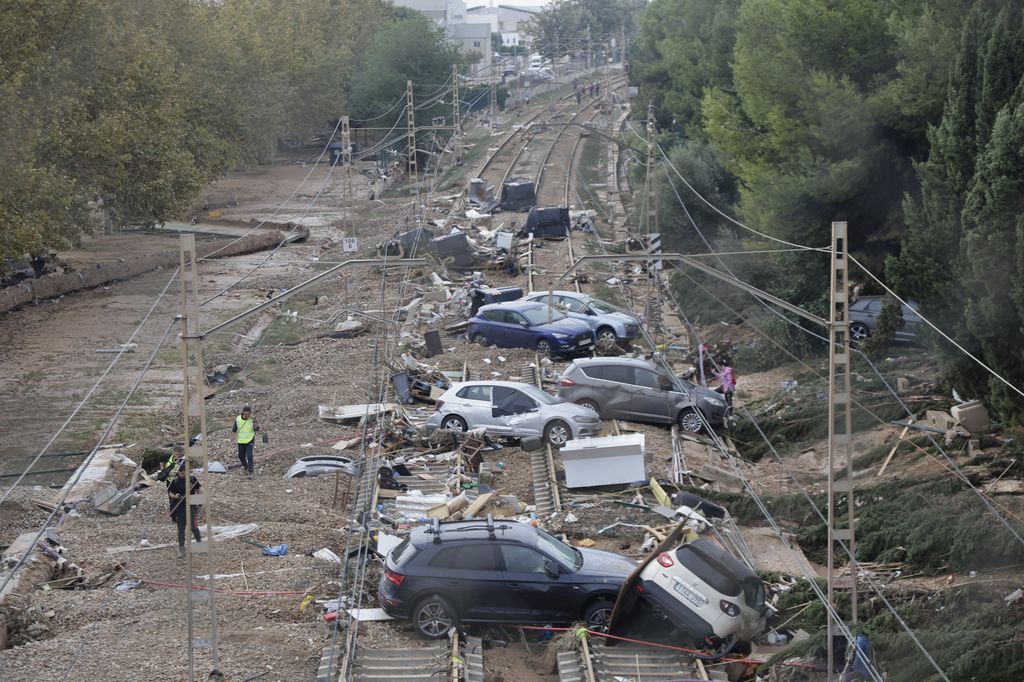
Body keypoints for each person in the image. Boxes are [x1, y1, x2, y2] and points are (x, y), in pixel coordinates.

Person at [167, 465, 201, 558]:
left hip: (192, 505)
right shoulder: (175, 481)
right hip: (180, 507)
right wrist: (176, 497)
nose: (181, 474)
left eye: (183, 473)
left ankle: (199, 544)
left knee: (193, 527)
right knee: (181, 529)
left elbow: (199, 490)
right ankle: (182, 549)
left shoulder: (192, 479)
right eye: (179, 473)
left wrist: (200, 503)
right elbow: (170, 493)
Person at [232, 405, 260, 475]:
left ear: (250, 413)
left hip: (250, 440)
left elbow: (256, 429)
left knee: (249, 456)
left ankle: (251, 471)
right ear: (242, 413)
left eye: (248, 414)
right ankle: (246, 467)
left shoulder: (252, 419)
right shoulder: (238, 419)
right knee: (241, 456)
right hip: (240, 441)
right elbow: (234, 430)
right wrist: (232, 439)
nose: (247, 416)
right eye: (245, 414)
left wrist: (254, 421)